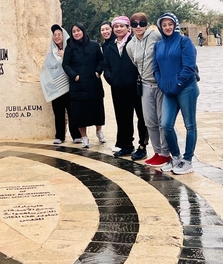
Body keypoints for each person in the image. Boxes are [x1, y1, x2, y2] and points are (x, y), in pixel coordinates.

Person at [153, 12, 199, 174]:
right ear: (160, 26)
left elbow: (189, 66)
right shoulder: (158, 45)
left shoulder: (184, 41)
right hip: (168, 91)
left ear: (175, 25)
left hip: (187, 88)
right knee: (166, 125)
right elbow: (156, 68)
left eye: (170, 24)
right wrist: (162, 83)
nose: (167, 27)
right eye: (164, 25)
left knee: (190, 125)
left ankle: (187, 160)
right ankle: (177, 157)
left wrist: (178, 83)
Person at [126, 12, 170, 167]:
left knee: (162, 120)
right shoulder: (130, 45)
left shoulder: (155, 36)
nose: (139, 27)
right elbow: (135, 62)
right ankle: (157, 152)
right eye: (135, 24)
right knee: (149, 121)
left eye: (142, 23)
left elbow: (167, 51)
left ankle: (165, 153)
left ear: (147, 24)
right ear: (131, 26)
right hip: (145, 85)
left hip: (160, 85)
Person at [103, 16, 148, 159]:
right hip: (118, 88)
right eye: (116, 26)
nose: (118, 29)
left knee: (142, 117)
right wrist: (111, 79)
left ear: (128, 27)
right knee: (123, 118)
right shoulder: (110, 46)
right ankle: (127, 145)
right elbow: (106, 66)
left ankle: (142, 146)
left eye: (121, 26)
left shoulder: (134, 42)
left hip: (135, 87)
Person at [63, 23, 106, 148]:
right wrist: (74, 75)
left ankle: (99, 132)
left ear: (83, 31)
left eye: (78, 30)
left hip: (94, 82)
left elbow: (101, 60)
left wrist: (98, 71)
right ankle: (84, 137)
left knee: (97, 110)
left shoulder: (94, 45)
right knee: (80, 113)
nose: (76, 33)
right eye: (74, 31)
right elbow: (66, 64)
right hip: (78, 85)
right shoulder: (70, 47)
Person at [40, 24, 81, 144]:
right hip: (56, 87)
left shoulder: (71, 48)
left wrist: (65, 56)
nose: (57, 37)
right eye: (55, 35)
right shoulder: (51, 52)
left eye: (59, 34)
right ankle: (59, 136)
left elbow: (76, 64)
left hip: (70, 85)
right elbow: (46, 68)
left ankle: (76, 135)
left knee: (72, 111)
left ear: (64, 35)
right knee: (58, 112)